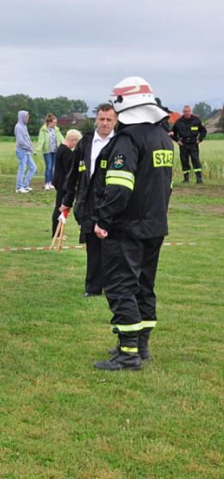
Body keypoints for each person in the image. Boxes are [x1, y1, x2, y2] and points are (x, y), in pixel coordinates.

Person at [91, 76, 173, 371]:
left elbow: (119, 188)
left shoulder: (128, 140)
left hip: (127, 229)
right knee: (144, 287)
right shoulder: (163, 137)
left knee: (121, 287)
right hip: (154, 226)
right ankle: (142, 346)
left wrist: (102, 219)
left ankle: (127, 354)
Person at [61, 104, 117, 297]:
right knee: (93, 248)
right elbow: (73, 174)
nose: (105, 123)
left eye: (109, 119)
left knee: (112, 247)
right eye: (101, 119)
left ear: (115, 121)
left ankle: (113, 286)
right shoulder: (85, 142)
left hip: (111, 200)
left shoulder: (120, 142)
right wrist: (67, 200)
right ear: (96, 119)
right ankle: (92, 288)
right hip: (88, 201)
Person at [51, 129, 81, 237]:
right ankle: (56, 232)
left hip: (59, 180)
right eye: (76, 143)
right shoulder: (66, 152)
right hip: (62, 182)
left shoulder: (61, 149)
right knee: (60, 206)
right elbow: (70, 170)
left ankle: (58, 232)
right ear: (72, 140)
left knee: (61, 206)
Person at [171, 105, 207, 183]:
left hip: (193, 144)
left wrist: (199, 139)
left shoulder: (196, 120)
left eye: (188, 111)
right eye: (185, 112)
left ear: (191, 111)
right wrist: (177, 140)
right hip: (183, 144)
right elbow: (172, 133)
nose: (187, 113)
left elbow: (203, 131)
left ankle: (199, 179)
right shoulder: (178, 122)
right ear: (183, 112)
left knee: (195, 160)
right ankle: (186, 179)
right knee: (184, 161)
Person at [37, 114, 64, 190]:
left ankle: (51, 182)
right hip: (47, 151)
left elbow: (61, 138)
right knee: (48, 167)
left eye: (56, 122)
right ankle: (46, 183)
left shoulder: (56, 129)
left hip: (55, 151)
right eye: (54, 122)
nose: (55, 124)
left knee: (54, 168)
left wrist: (66, 145)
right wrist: (37, 150)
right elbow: (41, 141)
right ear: (49, 122)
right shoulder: (43, 130)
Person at [14, 110, 36, 193]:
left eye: (28, 117)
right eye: (26, 117)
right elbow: (20, 141)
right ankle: (19, 187)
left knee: (33, 167)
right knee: (22, 168)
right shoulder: (18, 127)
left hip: (26, 151)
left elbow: (27, 138)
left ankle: (25, 185)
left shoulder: (24, 126)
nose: (27, 119)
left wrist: (30, 146)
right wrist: (28, 147)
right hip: (21, 151)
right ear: (22, 117)